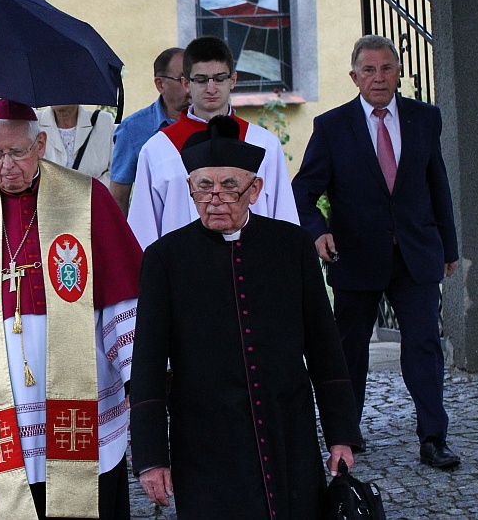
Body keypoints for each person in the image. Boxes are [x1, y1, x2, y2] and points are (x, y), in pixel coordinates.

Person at [130, 117, 360, 519]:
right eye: (204, 187)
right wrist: (151, 457)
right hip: (204, 440)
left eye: (229, 187)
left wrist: (341, 434)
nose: (215, 199)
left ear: (255, 190)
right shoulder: (165, 258)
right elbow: (147, 362)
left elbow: (325, 346)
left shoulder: (292, 246)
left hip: (286, 428)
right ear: (190, 188)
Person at [0, 99, 142, 520]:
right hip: (1, 397)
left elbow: (120, 296)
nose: (7, 166)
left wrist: (137, 375)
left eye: (17, 152)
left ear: (40, 145)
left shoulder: (87, 198)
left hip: (82, 386)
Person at [292, 35, 460, 469]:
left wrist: (449, 247)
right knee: (349, 351)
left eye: (387, 68)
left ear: (398, 72)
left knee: (424, 345)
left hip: (416, 254)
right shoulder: (332, 126)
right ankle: (346, 434)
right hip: (354, 256)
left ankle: (433, 438)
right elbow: (303, 191)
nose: (379, 78)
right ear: (354, 77)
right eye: (369, 70)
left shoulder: (425, 118)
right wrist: (318, 233)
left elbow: (438, 185)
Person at [126, 36, 297, 251]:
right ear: (186, 83)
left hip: (255, 262)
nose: (211, 88)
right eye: (201, 79)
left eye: (219, 78)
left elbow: (284, 220)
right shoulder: (157, 150)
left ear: (233, 80)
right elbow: (143, 231)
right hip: (183, 265)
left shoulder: (264, 144)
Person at [109, 48, 190, 214]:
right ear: (160, 84)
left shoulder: (209, 122)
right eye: (183, 79)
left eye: (195, 78)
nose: (190, 87)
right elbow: (119, 197)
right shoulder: (133, 130)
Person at [38, 104, 115, 185]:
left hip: (96, 192)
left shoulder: (104, 122)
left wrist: (89, 190)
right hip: (47, 192)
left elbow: (114, 173)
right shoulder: (34, 123)